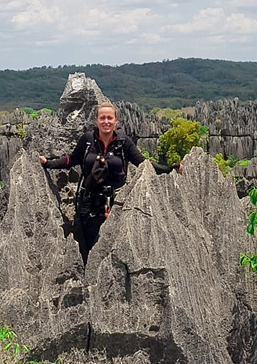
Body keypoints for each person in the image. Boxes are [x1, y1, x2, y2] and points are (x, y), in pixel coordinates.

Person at [40, 103, 180, 261]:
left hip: (116, 201)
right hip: (89, 201)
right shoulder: (88, 140)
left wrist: (169, 169)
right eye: (102, 118)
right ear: (96, 121)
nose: (106, 121)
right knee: (90, 246)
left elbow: (143, 163)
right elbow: (72, 159)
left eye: (109, 118)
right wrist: (48, 163)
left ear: (116, 121)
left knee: (114, 246)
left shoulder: (122, 142)